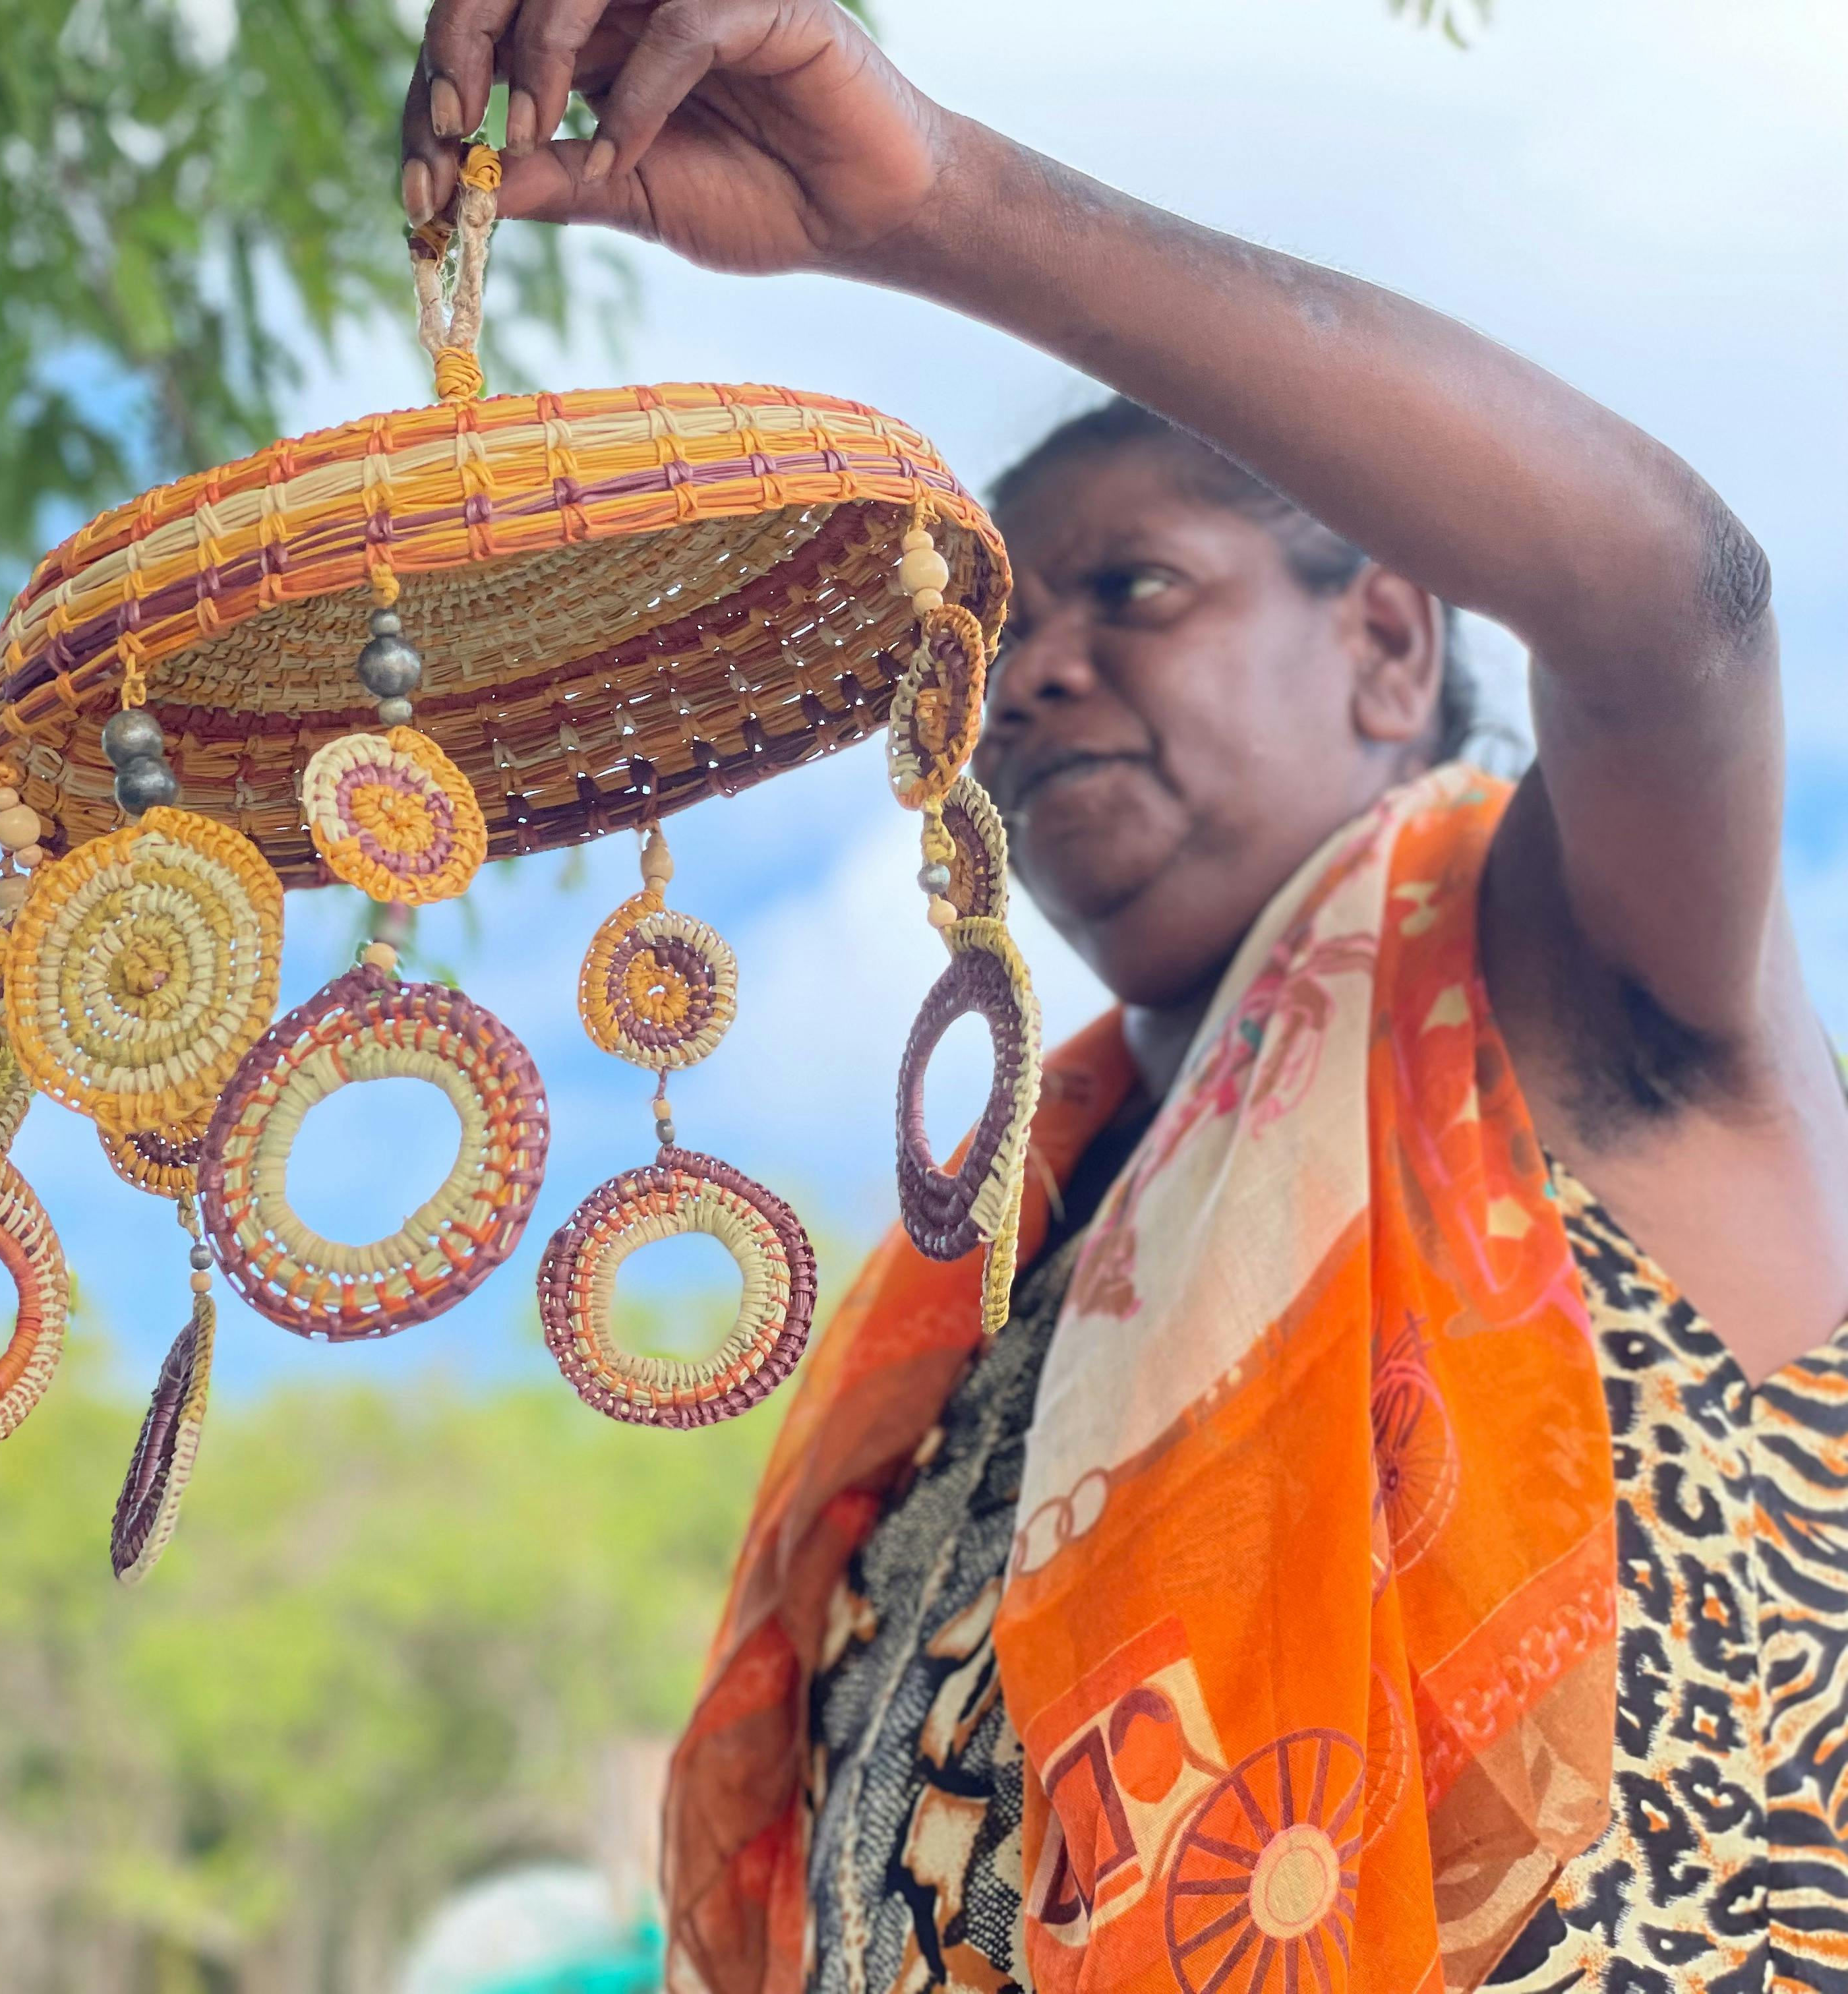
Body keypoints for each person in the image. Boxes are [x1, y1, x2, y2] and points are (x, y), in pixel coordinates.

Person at [400, 6, 1848, 1991]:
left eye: (1135, 592)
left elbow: (1674, 601)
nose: (1037, 674)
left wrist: (933, 201)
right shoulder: (1000, 1275)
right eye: (990, 636)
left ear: (1389, 640)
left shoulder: (1564, 995)